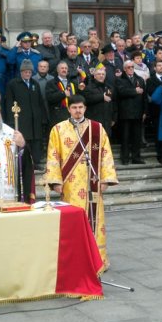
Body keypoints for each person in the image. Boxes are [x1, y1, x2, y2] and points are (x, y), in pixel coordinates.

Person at [46, 95, 118, 271]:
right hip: (70, 186)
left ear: (85, 108)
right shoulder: (58, 129)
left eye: (80, 107)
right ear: (69, 109)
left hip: (92, 183)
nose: (77, 111)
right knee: (72, 223)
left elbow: (106, 154)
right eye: (74, 108)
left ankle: (97, 261)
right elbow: (53, 155)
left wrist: (106, 179)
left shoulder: (97, 128)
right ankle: (74, 260)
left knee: (95, 222)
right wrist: (55, 181)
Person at [6, 59, 46, 170]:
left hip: (35, 119)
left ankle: (36, 162)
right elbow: (9, 102)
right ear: (21, 72)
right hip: (21, 118)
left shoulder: (34, 84)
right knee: (25, 140)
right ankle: (25, 163)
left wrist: (43, 117)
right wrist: (10, 120)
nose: (27, 74)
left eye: (29, 72)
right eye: (25, 72)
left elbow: (40, 101)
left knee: (36, 141)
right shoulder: (13, 84)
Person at [116, 60, 148, 165]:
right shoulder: (120, 80)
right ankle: (125, 158)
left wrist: (145, 111)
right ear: (124, 69)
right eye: (128, 67)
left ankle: (136, 157)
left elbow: (144, 97)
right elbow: (121, 92)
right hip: (125, 113)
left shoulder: (140, 79)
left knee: (137, 137)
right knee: (125, 137)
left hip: (138, 112)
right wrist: (135, 91)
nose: (131, 69)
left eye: (132, 67)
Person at [83, 67, 117, 137]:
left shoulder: (109, 88)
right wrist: (102, 97)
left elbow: (113, 103)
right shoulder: (89, 87)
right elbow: (87, 99)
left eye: (103, 74)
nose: (101, 76)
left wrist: (114, 118)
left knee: (106, 142)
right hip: (94, 120)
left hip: (107, 121)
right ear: (94, 76)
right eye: (99, 74)